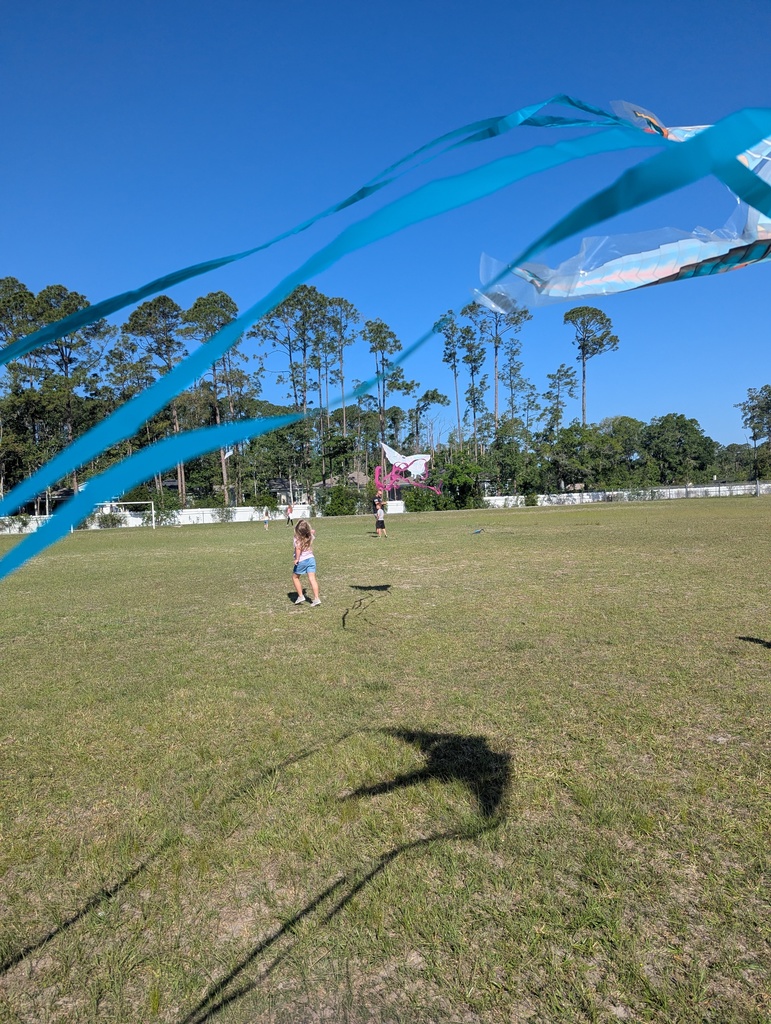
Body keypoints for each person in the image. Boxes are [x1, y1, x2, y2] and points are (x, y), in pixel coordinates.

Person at [292, 519, 321, 606]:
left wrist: (297, 559)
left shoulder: (297, 538)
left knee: (295, 577)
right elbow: (312, 532)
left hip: (302, 560)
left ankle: (301, 596)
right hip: (311, 559)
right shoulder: (310, 536)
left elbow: (298, 549)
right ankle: (316, 598)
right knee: (312, 579)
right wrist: (310, 531)